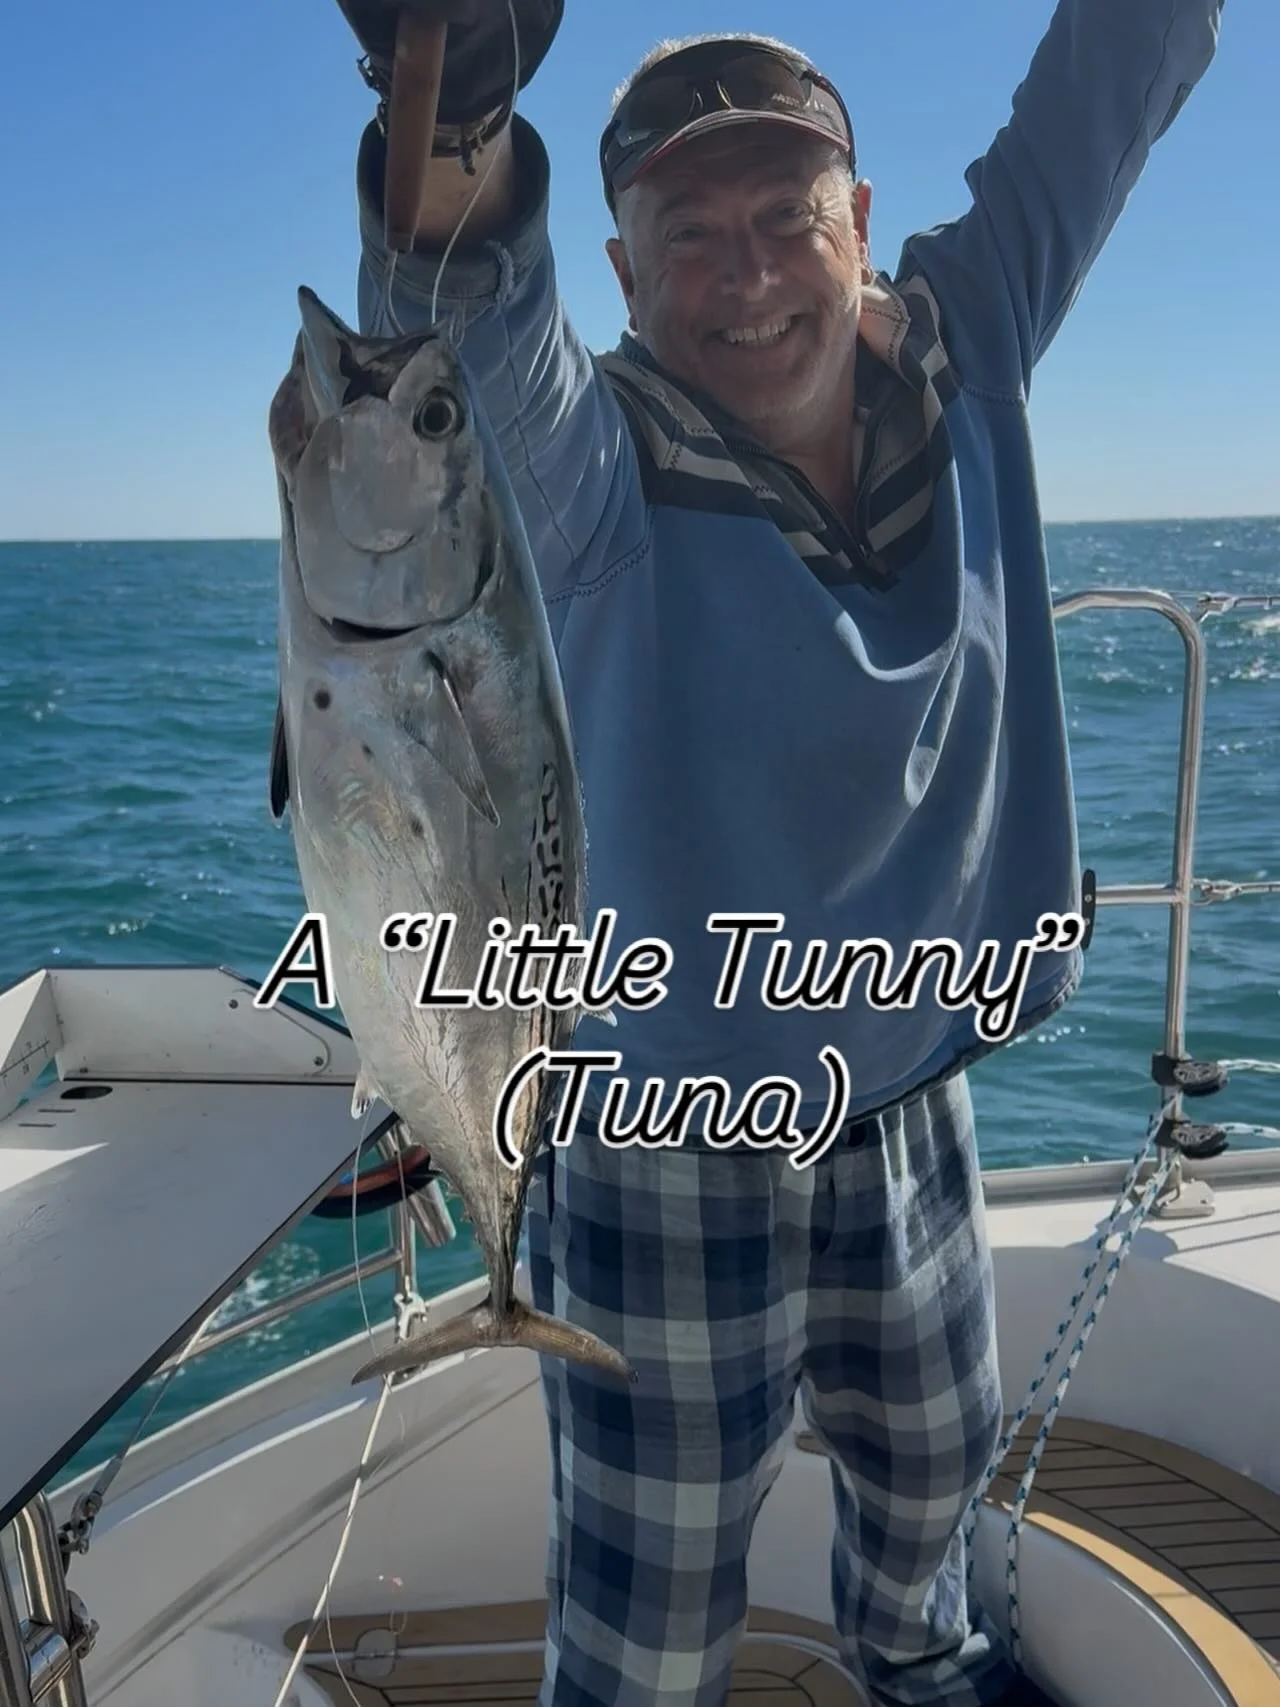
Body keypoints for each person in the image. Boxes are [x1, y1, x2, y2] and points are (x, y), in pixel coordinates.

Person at [331, 2, 1223, 1701]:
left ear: (860, 224)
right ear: (622, 261)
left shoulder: (976, 340)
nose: (747, 276)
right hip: (655, 1137)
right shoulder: (588, 465)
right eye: (690, 235)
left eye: (785, 220)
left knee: (927, 1569)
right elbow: (466, 320)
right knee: (644, 1640)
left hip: (914, 1109)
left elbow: (1109, 88)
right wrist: (454, 94)